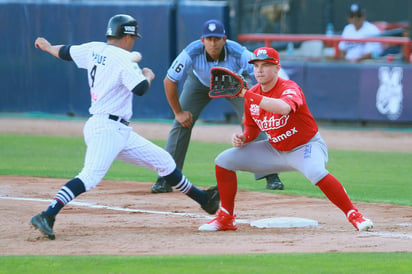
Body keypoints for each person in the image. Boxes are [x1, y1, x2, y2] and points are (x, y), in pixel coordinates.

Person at [30, 14, 220, 240]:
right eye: (133, 36)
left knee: (164, 161)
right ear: (128, 36)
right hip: (106, 129)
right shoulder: (123, 58)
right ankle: (47, 214)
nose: (134, 41)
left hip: (118, 130)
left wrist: (48, 46)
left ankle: (204, 200)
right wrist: (147, 75)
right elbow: (139, 88)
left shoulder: (94, 49)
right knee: (90, 176)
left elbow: (65, 52)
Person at [198, 47, 374, 232]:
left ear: (276, 68)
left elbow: (283, 108)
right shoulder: (253, 94)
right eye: (256, 65)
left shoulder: (288, 88)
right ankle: (226, 218)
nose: (259, 70)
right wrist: (243, 137)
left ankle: (355, 215)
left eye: (265, 65)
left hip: (305, 147)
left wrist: (247, 94)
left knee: (316, 171)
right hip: (274, 150)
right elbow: (251, 127)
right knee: (224, 160)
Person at [151, 19, 288, 193]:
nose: (213, 43)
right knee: (180, 125)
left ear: (224, 39)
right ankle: (166, 178)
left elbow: (262, 73)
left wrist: (258, 103)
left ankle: (271, 175)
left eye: (217, 39)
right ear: (202, 40)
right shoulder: (191, 52)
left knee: (254, 119)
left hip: (234, 83)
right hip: (199, 83)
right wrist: (178, 112)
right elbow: (169, 80)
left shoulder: (238, 51)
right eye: (209, 39)